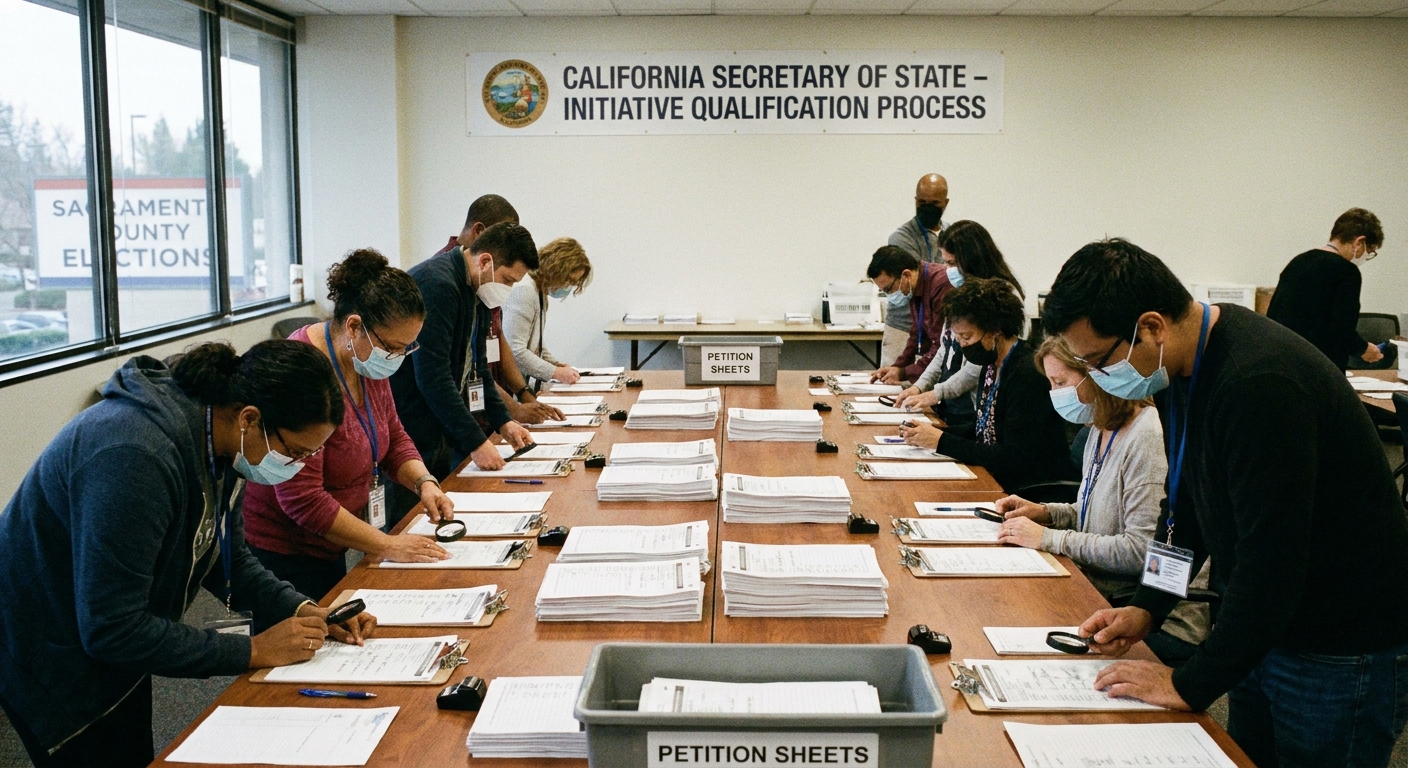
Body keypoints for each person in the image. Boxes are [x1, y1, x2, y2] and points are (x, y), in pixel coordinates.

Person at [1042, 238, 1408, 767]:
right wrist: (1148, 607)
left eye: (1098, 360)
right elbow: (1184, 512)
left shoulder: (1259, 382)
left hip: (1340, 645)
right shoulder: (1178, 370)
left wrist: (1192, 683)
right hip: (1262, 627)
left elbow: (1274, 562)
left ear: (1150, 327)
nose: (1096, 378)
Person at [0, 341, 377, 767]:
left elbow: (227, 558)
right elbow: (112, 629)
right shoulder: (134, 455)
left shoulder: (223, 439)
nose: (296, 465)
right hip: (51, 648)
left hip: (109, 638)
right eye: (295, 453)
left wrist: (310, 610)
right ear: (249, 418)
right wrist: (252, 651)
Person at [243, 249, 458, 600]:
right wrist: (387, 544)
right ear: (355, 327)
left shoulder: (364, 359)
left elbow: (393, 436)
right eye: (393, 347)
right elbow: (303, 501)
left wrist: (424, 483)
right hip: (284, 554)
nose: (398, 358)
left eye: (406, 349)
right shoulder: (305, 371)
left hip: (334, 544)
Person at [995, 336, 1208, 666]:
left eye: (1060, 382)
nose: (1055, 394)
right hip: (1099, 591)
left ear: (1093, 375)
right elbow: (1097, 513)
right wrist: (1046, 513)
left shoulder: (1148, 436)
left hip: (1152, 618)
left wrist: (1048, 539)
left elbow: (1140, 551)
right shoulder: (1101, 425)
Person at [898, 277, 1077, 493]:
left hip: (1028, 489)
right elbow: (981, 428)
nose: (963, 345)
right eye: (959, 338)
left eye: (967, 336)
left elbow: (1013, 457)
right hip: (999, 479)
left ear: (995, 330)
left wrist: (942, 441)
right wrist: (931, 432)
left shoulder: (1028, 374)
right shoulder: (991, 364)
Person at [391, 221, 536, 484]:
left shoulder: (476, 288)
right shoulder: (439, 285)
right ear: (485, 262)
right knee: (411, 515)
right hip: (411, 425)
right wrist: (476, 442)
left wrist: (504, 421)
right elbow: (433, 377)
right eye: (507, 280)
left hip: (439, 426)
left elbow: (479, 367)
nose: (508, 289)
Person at [434, 195, 565, 425]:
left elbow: (497, 336)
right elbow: (453, 370)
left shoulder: (487, 279)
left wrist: (523, 394)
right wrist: (512, 409)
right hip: (459, 413)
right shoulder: (446, 280)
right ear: (480, 232)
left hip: (490, 403)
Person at [893, 220, 1026, 426]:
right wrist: (919, 387)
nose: (947, 270)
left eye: (953, 264)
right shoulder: (960, 293)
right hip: (952, 402)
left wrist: (936, 393)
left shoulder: (1003, 296)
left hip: (976, 406)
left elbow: (980, 365)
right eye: (945, 262)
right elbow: (944, 348)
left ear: (972, 259)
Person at [1267, 207, 1386, 371]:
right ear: (1359, 242)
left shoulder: (1298, 262)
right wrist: (1365, 349)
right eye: (1370, 251)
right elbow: (1341, 331)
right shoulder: (1346, 272)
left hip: (1281, 363)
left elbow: (1274, 316)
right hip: (1319, 368)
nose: (1367, 256)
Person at [504, 237, 593, 390]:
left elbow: (534, 343)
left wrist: (554, 364)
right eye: (569, 280)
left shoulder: (540, 293)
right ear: (556, 269)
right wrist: (555, 372)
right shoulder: (524, 291)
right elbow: (515, 351)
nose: (569, 287)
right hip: (507, 382)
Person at [880, 173, 949, 365]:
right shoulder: (901, 237)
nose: (927, 207)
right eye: (922, 202)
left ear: (946, 203)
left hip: (937, 328)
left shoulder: (951, 233)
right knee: (892, 384)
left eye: (934, 202)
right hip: (904, 327)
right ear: (915, 201)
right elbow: (922, 281)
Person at [868, 245, 951, 386]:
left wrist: (905, 372)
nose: (889, 296)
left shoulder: (941, 285)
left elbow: (941, 345)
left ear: (906, 275)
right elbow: (917, 333)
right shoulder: (915, 286)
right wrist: (898, 366)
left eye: (888, 289)